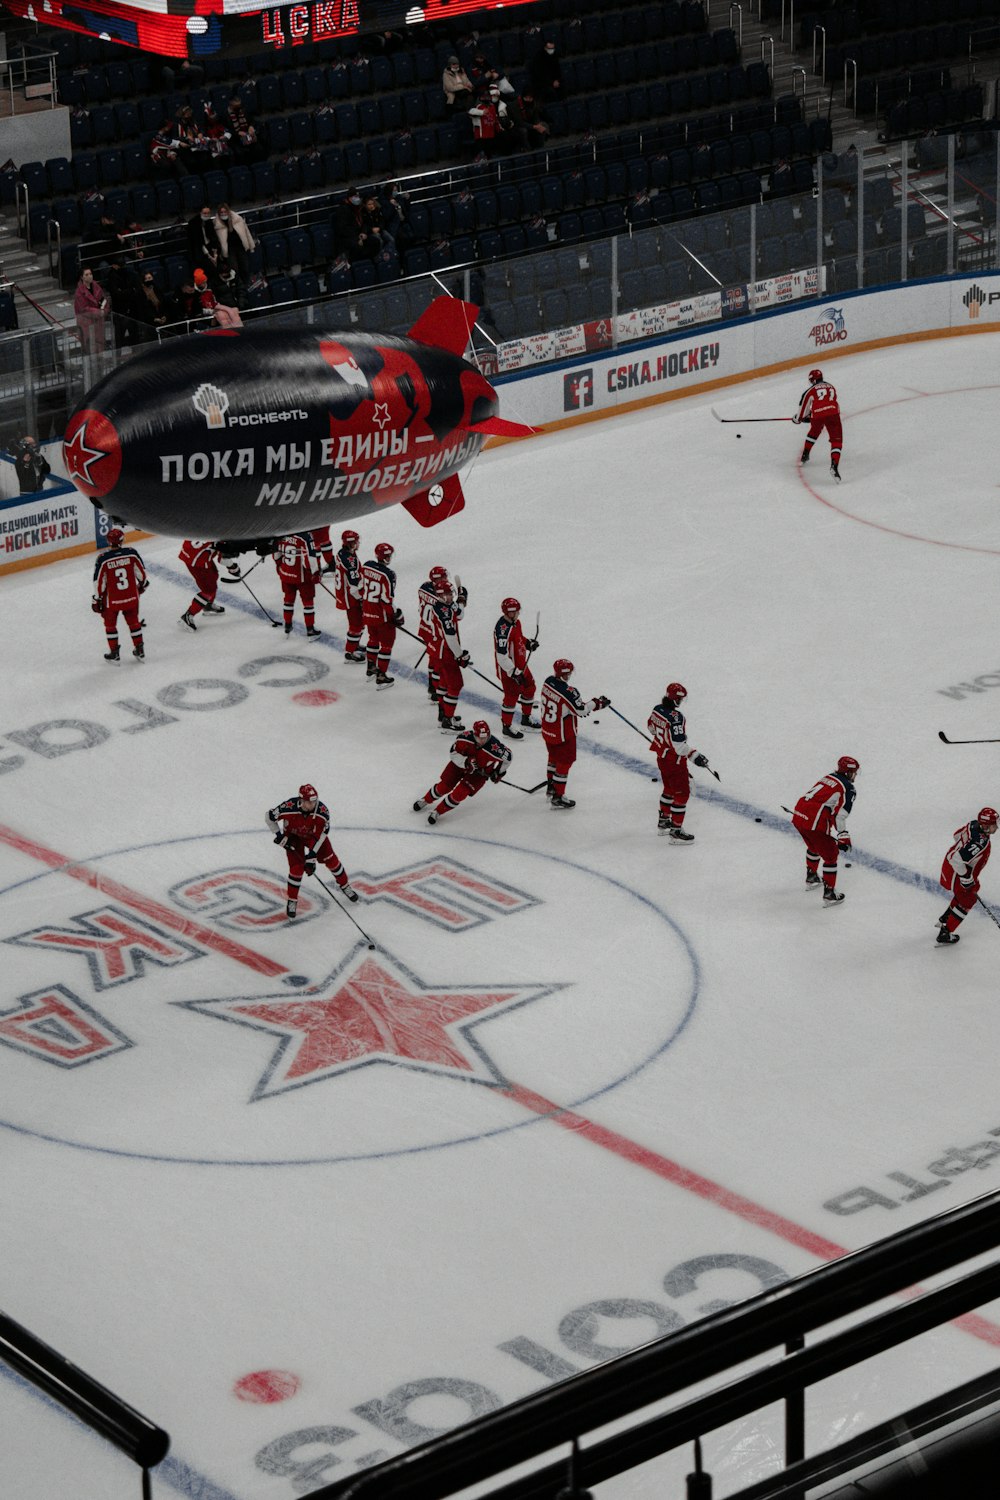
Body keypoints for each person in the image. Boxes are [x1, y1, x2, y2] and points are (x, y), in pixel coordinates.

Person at [267, 783, 357, 919]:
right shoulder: (288, 807)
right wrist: (279, 836)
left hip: (314, 838)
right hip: (294, 838)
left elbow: (322, 835)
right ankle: (292, 900)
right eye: (310, 802)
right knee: (296, 869)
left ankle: (345, 886)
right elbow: (269, 817)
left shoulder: (322, 812)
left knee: (332, 861)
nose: (313, 804)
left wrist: (312, 855)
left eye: (315, 801)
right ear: (301, 801)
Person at [647, 682, 714, 842]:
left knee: (669, 788)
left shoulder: (657, 709)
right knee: (682, 794)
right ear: (676, 700)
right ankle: (676, 832)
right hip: (675, 761)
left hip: (661, 757)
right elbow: (678, 747)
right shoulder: (676, 718)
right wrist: (694, 755)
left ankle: (663, 823)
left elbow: (650, 727)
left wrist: (662, 740)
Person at [540, 659, 609, 809]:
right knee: (564, 763)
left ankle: (551, 787)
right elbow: (581, 710)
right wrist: (597, 703)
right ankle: (558, 796)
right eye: (569, 672)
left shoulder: (547, 681)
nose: (571, 674)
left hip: (547, 731)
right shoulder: (569, 691)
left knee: (553, 758)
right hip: (563, 735)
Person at [791, 756, 859, 905]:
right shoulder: (848, 787)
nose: (855, 775)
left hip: (798, 814)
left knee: (814, 846)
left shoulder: (829, 777)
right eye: (853, 772)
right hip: (814, 819)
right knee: (830, 855)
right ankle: (829, 894)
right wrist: (843, 836)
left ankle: (812, 877)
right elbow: (840, 815)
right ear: (848, 772)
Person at [414, 720, 512, 824]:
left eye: (485, 737)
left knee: (460, 794)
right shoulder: (464, 738)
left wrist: (498, 772)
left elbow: (508, 758)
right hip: (459, 766)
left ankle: (438, 811)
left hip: (479, 774)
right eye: (480, 738)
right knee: (444, 786)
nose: (483, 740)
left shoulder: (496, 748)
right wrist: (465, 762)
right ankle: (426, 799)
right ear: (474, 734)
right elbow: (453, 753)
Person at [937, 807, 999, 945]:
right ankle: (945, 933)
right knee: (968, 899)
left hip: (956, 869)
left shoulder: (973, 824)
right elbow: (955, 859)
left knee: (972, 888)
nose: (997, 826)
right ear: (986, 826)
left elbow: (956, 835)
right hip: (956, 872)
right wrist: (966, 877)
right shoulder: (979, 843)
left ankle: (945, 919)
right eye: (994, 824)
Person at [92, 526, 147, 662]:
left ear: (108, 541)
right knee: (134, 623)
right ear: (122, 540)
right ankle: (139, 649)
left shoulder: (103, 559)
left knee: (110, 626)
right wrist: (142, 585)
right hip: (131, 597)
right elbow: (142, 575)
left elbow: (99, 582)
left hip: (112, 601)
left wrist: (97, 599)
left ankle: (114, 652)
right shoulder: (131, 553)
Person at [494, 597, 539, 739]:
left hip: (521, 665)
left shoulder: (516, 622)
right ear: (509, 613)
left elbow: (518, 638)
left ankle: (526, 719)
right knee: (511, 696)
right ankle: (506, 727)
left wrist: (527, 643)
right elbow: (501, 656)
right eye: (516, 612)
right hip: (509, 669)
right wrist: (513, 672)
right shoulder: (502, 630)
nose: (518, 614)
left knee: (530, 687)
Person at [429, 577, 470, 731]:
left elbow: (459, 614)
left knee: (444, 684)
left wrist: (461, 600)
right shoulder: (443, 612)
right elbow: (450, 637)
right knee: (455, 684)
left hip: (438, 650)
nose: (451, 596)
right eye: (448, 594)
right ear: (440, 595)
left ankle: (443, 714)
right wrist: (460, 655)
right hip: (444, 652)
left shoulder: (444, 605)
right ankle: (447, 719)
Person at [361, 541, 401, 687]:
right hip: (381, 615)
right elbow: (386, 599)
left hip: (367, 611)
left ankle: (371, 668)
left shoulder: (366, 565)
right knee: (386, 645)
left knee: (372, 639)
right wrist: (395, 615)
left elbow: (360, 587)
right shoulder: (388, 574)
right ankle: (381, 676)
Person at [794, 368, 842, 480]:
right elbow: (832, 401)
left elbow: (802, 410)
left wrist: (798, 419)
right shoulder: (831, 387)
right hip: (833, 413)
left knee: (814, 431)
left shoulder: (810, 390)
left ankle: (805, 455)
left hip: (817, 415)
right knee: (837, 441)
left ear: (812, 380)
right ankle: (834, 466)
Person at [179, 540, 239, 629]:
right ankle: (187, 616)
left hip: (196, 555)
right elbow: (222, 558)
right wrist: (233, 567)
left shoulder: (215, 528)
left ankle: (208, 605)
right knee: (208, 590)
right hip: (198, 562)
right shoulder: (223, 533)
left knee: (214, 575)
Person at [274, 533, 322, 638]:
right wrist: (315, 573)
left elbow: (276, 553)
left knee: (288, 600)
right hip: (302, 577)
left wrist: (279, 565)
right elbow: (310, 558)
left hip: (286, 574)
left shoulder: (281, 532)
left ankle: (287, 625)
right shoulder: (305, 537)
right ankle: (310, 629)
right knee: (308, 602)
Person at [418, 564, 450, 715]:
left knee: (432, 658)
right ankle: (436, 690)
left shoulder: (423, 587)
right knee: (438, 662)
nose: (446, 579)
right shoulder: (440, 597)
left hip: (425, 628)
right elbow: (454, 612)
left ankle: (432, 685)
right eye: (444, 577)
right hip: (435, 632)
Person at [333, 528, 367, 663]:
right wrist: (361, 599)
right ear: (351, 543)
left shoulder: (343, 553)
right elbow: (353, 587)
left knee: (361, 622)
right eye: (356, 542)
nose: (358, 543)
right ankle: (349, 652)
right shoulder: (350, 560)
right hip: (350, 597)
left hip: (346, 594)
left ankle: (355, 644)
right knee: (356, 625)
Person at [213, 202, 255, 292]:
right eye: (221, 212)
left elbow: (246, 232)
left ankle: (246, 285)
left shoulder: (237, 219)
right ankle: (239, 288)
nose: (223, 214)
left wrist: (251, 245)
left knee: (245, 267)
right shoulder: (217, 225)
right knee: (234, 269)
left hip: (240, 247)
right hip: (229, 250)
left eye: (225, 212)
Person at [74, 267, 109, 355]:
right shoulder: (79, 292)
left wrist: (104, 311)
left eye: (90, 274)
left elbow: (104, 300)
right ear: (82, 277)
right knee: (90, 347)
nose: (90, 276)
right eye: (87, 275)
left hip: (98, 321)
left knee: (100, 346)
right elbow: (84, 308)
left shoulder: (97, 287)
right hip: (87, 323)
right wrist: (99, 312)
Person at [134, 268, 170, 340]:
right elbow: (142, 310)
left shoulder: (157, 288)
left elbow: (164, 304)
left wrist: (164, 315)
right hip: (149, 322)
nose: (149, 280)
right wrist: (153, 319)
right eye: (146, 279)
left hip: (161, 317)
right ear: (143, 281)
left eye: (150, 278)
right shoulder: (140, 293)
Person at [188, 205, 222, 276]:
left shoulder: (209, 222)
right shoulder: (193, 223)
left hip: (209, 246)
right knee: (208, 267)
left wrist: (215, 254)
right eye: (205, 213)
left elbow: (213, 237)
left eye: (208, 213)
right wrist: (210, 256)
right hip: (200, 249)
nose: (207, 215)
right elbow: (197, 242)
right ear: (200, 213)